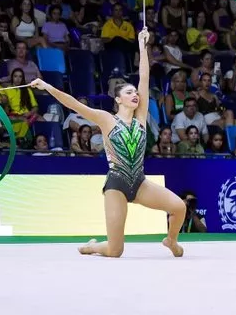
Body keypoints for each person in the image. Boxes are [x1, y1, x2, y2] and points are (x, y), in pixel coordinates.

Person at [29, 28, 188, 258]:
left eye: (136, 93)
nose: (135, 94)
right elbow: (75, 105)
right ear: (118, 99)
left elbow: (144, 76)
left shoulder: (140, 118)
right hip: (116, 185)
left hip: (140, 183)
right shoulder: (106, 119)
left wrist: (143, 45)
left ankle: (171, 240)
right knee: (115, 251)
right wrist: (48, 86)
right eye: (129, 92)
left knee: (179, 207)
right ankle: (92, 246)